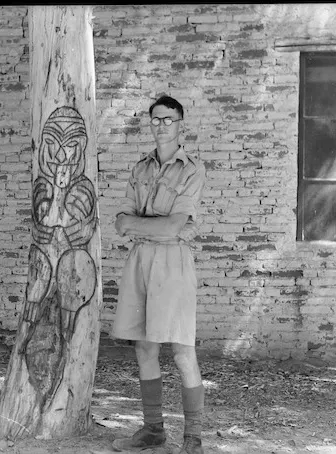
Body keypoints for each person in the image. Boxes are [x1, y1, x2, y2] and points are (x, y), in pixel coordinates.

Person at [111, 96, 206, 454]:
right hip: (140, 262)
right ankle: (153, 430)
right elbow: (121, 221)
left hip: (173, 262)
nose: (161, 125)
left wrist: (145, 226)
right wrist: (156, 226)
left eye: (168, 120)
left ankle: (193, 438)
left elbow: (176, 228)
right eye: (155, 120)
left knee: (182, 351)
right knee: (145, 347)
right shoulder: (140, 168)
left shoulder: (192, 169)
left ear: (181, 124)